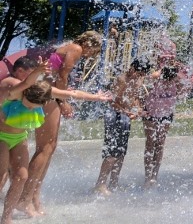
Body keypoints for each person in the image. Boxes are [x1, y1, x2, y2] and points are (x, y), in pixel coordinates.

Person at [0, 58, 111, 219]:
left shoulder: (45, 91)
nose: (30, 108)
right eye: (28, 104)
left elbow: (72, 93)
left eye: (34, 107)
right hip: (2, 137)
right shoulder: (17, 91)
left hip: (19, 138)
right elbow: (27, 83)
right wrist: (38, 71)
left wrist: (96, 97)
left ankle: (6, 218)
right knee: (1, 174)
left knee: (21, 177)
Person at [17, 30, 103, 217]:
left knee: (50, 146)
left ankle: (34, 196)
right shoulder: (76, 48)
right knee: (45, 147)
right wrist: (63, 102)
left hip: (47, 90)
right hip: (46, 93)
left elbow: (58, 74)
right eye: (94, 51)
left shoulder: (69, 47)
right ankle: (24, 199)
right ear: (89, 44)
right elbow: (63, 75)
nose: (91, 55)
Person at [94, 58, 150, 196]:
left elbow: (134, 97)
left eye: (143, 74)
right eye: (139, 73)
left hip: (125, 116)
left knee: (121, 153)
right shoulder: (121, 79)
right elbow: (111, 100)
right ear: (132, 68)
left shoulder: (139, 79)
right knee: (112, 152)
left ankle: (114, 182)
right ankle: (100, 184)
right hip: (114, 115)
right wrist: (125, 111)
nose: (140, 76)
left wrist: (137, 109)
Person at [142, 56, 193, 188]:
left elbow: (190, 81)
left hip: (166, 115)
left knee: (160, 144)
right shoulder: (155, 81)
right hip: (150, 114)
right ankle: (147, 176)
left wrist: (179, 66)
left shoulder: (176, 83)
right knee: (150, 144)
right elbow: (148, 77)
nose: (170, 81)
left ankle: (154, 176)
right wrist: (161, 69)